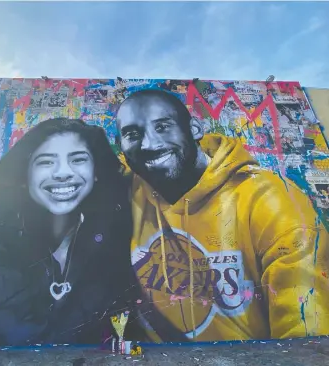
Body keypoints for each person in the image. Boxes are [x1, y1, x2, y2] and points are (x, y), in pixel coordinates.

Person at [116, 88, 329, 342]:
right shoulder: (128, 187)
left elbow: (305, 327)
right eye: (132, 134)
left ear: (195, 129)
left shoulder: (267, 199)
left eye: (162, 127)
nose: (148, 144)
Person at [0, 118, 139, 346]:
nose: (63, 173)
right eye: (46, 162)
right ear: (25, 174)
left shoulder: (104, 231)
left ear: (96, 172)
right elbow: (24, 337)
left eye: (78, 159)